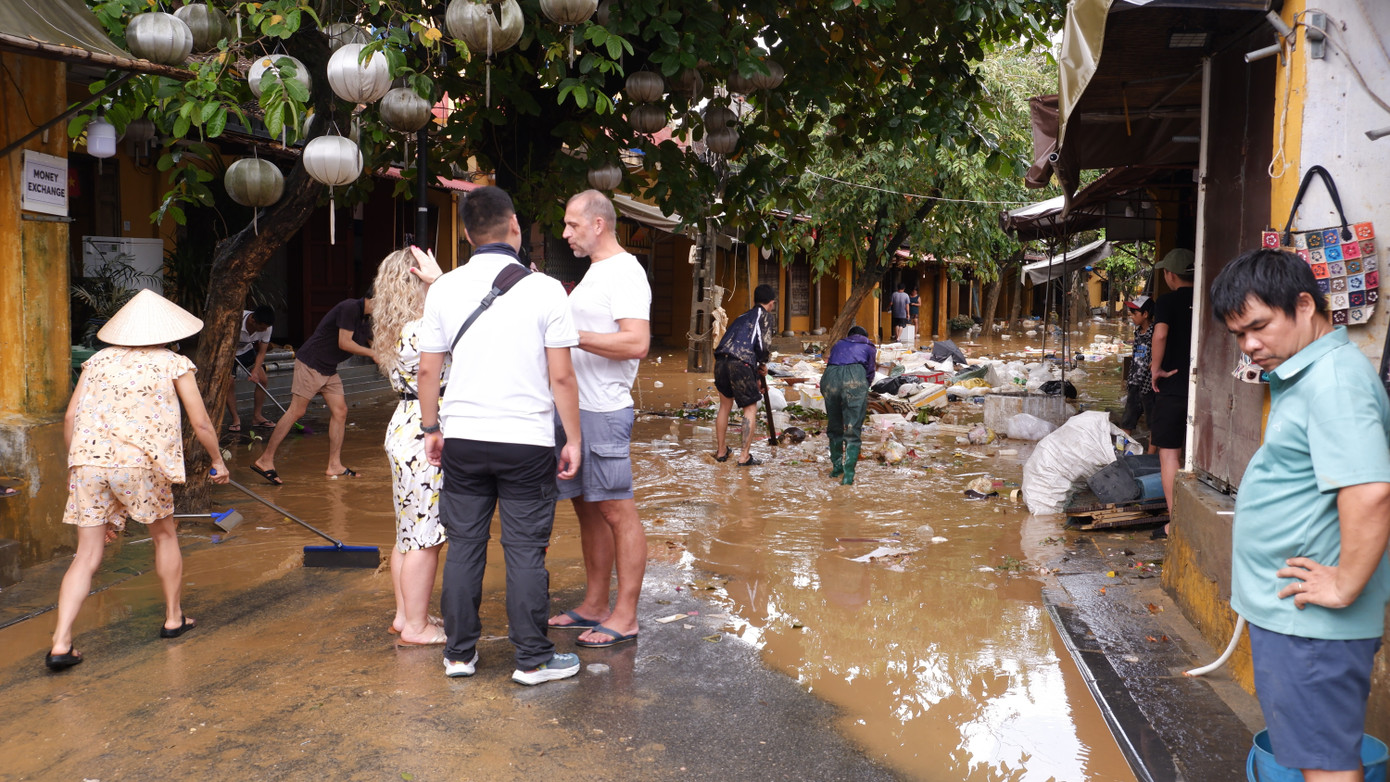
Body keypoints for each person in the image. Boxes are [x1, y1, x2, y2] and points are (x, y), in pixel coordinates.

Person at [1212, 248, 1390, 781]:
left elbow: (1370, 492)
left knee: (1325, 768)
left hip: (1311, 623)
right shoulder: (1312, 375)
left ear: (1305, 305)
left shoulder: (1334, 381)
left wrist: (1343, 586)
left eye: (1259, 327)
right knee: (1317, 758)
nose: (1249, 345)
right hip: (1297, 619)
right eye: (1238, 334)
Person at [417, 186, 584, 686]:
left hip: (463, 439)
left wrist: (431, 428)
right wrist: (572, 439)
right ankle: (532, 659)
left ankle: (459, 656)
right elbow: (562, 378)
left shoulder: (443, 289)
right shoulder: (546, 290)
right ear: (514, 225)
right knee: (524, 550)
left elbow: (428, 372)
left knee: (465, 545)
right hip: (527, 443)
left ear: (467, 233)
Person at [47, 289, 230, 671]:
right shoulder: (173, 363)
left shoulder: (97, 362)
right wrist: (217, 460)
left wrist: (75, 465)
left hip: (88, 463)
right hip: (141, 465)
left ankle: (61, 642)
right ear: (167, 331)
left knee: (86, 555)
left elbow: (70, 419)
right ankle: (173, 617)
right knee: (164, 534)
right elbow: (200, 422)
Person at [545, 190, 651, 649]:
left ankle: (625, 615)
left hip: (605, 410)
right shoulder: (594, 273)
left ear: (598, 224)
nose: (565, 233)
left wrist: (572, 335)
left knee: (616, 510)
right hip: (576, 410)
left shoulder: (626, 272)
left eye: (572, 225)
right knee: (587, 508)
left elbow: (636, 343)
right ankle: (594, 603)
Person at [371, 246, 450, 646]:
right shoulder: (425, 327)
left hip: (403, 425)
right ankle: (417, 628)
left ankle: (406, 616)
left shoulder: (398, 327)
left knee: (408, 530)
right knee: (426, 534)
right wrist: (442, 284)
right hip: (425, 427)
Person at [251, 296, 374, 484]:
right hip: (311, 363)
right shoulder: (350, 308)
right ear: (376, 297)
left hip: (328, 368)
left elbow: (372, 340)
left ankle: (334, 465)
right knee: (297, 411)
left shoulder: (366, 318)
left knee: (340, 411)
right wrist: (373, 353)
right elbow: (345, 342)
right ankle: (265, 459)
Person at [1148, 248, 1195, 537]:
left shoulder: (1166, 301)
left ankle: (1174, 521)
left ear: (1170, 275)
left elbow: (1161, 334)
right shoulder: (1209, 298)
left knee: (1169, 455)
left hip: (1174, 386)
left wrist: (1156, 369)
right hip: (1205, 386)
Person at [713, 284, 776, 467]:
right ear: (771, 302)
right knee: (750, 408)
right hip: (741, 362)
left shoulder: (741, 317)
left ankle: (721, 451)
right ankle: (744, 456)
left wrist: (756, 375)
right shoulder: (764, 317)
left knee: (725, 406)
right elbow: (763, 346)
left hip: (721, 361)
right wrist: (763, 364)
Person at [823, 326, 877, 485]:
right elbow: (870, 372)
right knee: (853, 428)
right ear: (864, 336)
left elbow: (830, 364)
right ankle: (848, 477)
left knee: (834, 426)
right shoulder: (869, 346)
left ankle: (836, 469)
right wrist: (862, 390)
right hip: (854, 379)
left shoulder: (839, 344)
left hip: (830, 378)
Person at [224, 305, 276, 433]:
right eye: (262, 328)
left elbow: (262, 352)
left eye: (266, 328)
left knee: (262, 380)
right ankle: (236, 419)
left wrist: (255, 371)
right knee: (228, 383)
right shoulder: (236, 319)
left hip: (246, 350)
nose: (264, 330)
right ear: (253, 320)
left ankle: (257, 417)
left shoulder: (267, 327)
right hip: (226, 353)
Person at [1119, 295, 1155, 437]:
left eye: (1135, 313)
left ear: (1145, 314)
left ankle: (1151, 456)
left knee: (1153, 424)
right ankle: (1123, 451)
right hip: (1134, 383)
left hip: (1148, 385)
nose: (1131, 316)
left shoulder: (1155, 332)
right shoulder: (1138, 332)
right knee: (1127, 421)